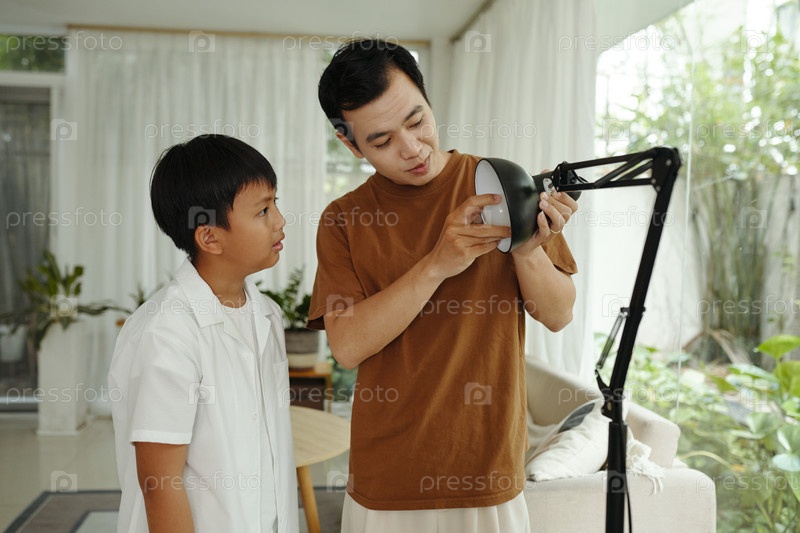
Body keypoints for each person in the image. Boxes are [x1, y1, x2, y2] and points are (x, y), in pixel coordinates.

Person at [308, 39, 579, 533]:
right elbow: (347, 346)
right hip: (386, 479)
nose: (412, 148)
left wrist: (525, 249)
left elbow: (559, 315)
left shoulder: (502, 184)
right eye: (382, 141)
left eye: (417, 121)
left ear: (429, 101)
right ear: (350, 144)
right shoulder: (343, 219)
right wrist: (437, 264)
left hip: (488, 469)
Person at [108, 134, 298, 533]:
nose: (280, 220)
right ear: (209, 237)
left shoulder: (266, 314)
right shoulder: (167, 332)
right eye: (263, 210)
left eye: (275, 202)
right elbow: (160, 483)